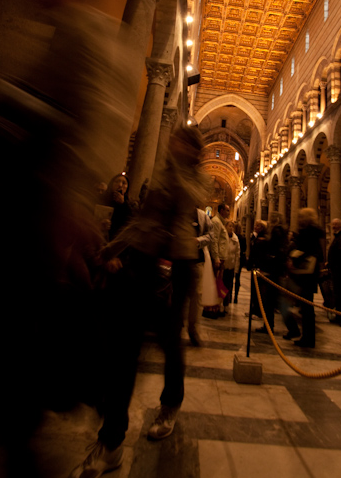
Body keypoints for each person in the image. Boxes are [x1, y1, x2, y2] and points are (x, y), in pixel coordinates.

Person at [69, 125, 210, 478]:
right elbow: (140, 223)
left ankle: (170, 405)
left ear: (193, 151)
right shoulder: (162, 176)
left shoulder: (195, 179)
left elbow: (193, 199)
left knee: (169, 343)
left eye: (180, 141)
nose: (172, 144)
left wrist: (176, 169)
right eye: (173, 139)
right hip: (144, 265)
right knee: (124, 350)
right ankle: (112, 442)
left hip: (177, 267)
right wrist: (112, 247)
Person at [281, 208, 324, 347]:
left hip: (305, 275)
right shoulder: (314, 231)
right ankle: (307, 337)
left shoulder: (308, 232)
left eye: (300, 217)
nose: (298, 219)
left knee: (305, 308)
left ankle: (307, 338)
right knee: (306, 308)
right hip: (309, 275)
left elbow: (309, 251)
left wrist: (294, 258)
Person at [255, 211, 288, 334]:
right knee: (275, 301)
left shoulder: (276, 232)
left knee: (271, 301)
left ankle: (270, 326)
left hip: (273, 270)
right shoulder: (282, 232)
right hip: (277, 269)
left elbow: (274, 250)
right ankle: (269, 325)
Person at [186, 208, 214, 346]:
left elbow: (210, 235)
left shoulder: (202, 216)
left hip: (197, 260)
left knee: (196, 295)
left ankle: (193, 328)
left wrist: (198, 240)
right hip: (178, 259)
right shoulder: (177, 211)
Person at [210, 202, 230, 316]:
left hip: (221, 258)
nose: (228, 212)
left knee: (218, 282)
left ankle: (215, 307)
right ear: (221, 210)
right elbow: (214, 240)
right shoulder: (216, 222)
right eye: (227, 210)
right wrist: (216, 258)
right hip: (218, 258)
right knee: (215, 283)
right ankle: (211, 308)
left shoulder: (220, 223)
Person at [222, 221, 241, 312]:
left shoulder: (235, 239)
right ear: (225, 227)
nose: (231, 228)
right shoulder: (222, 237)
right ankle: (219, 304)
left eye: (232, 227)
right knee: (220, 285)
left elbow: (237, 254)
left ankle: (226, 304)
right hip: (222, 265)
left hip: (231, 266)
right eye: (229, 226)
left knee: (228, 286)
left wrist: (236, 269)